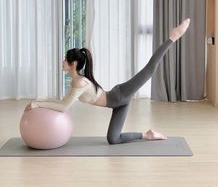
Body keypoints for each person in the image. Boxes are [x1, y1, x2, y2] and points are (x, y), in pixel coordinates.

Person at [24, 18, 191, 145]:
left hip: (120, 95)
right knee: (113, 139)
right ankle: (148, 135)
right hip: (117, 103)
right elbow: (62, 103)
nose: (62, 62)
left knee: (149, 69)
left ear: (73, 64)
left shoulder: (80, 83)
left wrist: (37, 104)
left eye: (64, 60)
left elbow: (63, 107)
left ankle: (173, 37)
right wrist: (38, 103)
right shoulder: (77, 81)